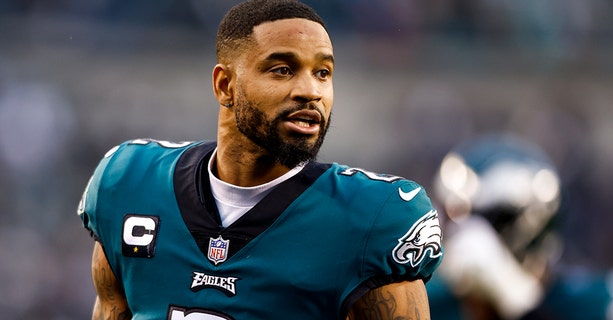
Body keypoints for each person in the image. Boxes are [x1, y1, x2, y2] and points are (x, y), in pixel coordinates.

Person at [76, 0, 443, 319]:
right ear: (225, 86)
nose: (310, 91)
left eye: (323, 73)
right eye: (282, 69)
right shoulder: (128, 181)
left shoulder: (372, 217)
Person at [425, 133, 613, 320]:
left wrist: (516, 299)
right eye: (450, 216)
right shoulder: (429, 303)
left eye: (471, 220)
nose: (459, 235)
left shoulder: (603, 302)